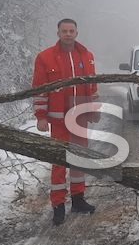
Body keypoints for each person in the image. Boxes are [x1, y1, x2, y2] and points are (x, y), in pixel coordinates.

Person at [32, 18, 99, 225]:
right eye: (64, 31)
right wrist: (41, 117)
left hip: (80, 118)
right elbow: (40, 89)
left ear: (77, 32)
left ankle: (78, 200)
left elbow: (93, 86)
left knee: (79, 160)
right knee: (60, 163)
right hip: (59, 121)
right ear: (58, 33)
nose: (68, 34)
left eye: (71, 30)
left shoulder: (87, 56)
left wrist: (94, 110)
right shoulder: (45, 58)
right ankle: (58, 206)